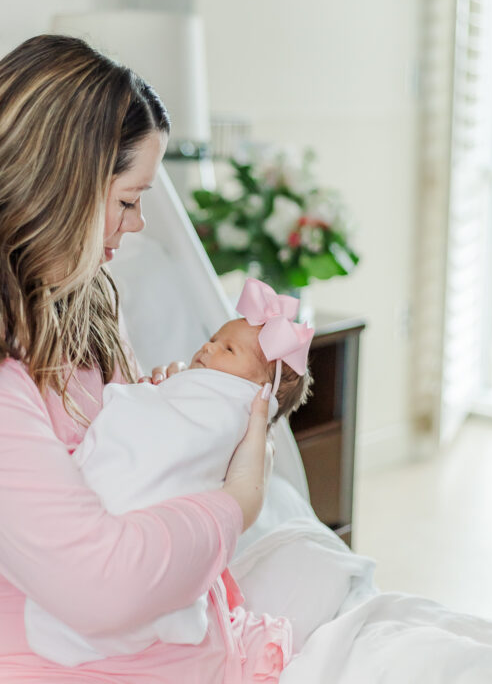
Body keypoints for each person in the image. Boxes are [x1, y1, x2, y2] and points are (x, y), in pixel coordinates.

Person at [0, 35, 284, 684]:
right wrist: (241, 497)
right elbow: (101, 585)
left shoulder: (78, 300)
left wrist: (161, 421)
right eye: (127, 200)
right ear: (54, 184)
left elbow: (124, 485)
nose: (139, 224)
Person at [25, 278, 313, 667]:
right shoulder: (192, 385)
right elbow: (148, 421)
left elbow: (189, 444)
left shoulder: (238, 411)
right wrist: (155, 395)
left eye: (227, 349)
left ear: (263, 387)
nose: (207, 347)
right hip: (92, 549)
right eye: (213, 338)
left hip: (125, 560)